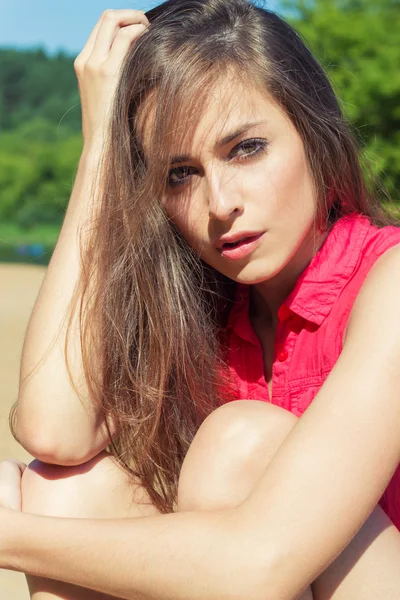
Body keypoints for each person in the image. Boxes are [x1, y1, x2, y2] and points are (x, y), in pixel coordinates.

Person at [1, 0, 400, 598]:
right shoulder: (206, 309)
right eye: (179, 174)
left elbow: (258, 565)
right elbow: (53, 432)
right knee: (67, 486)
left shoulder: (388, 280)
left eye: (246, 149)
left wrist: (9, 538)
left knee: (240, 445)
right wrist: (100, 152)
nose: (219, 203)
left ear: (314, 135)